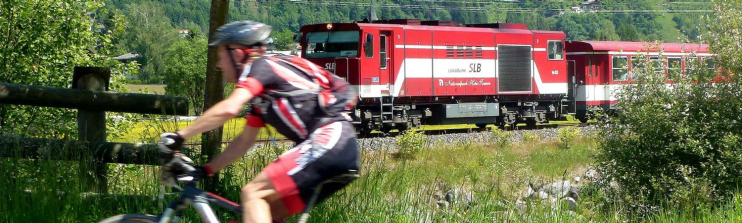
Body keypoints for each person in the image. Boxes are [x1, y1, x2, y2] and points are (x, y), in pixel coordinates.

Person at [157, 21, 360, 223]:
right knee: (266, 213)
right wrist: (206, 170)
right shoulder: (262, 98)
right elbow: (243, 142)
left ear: (236, 54)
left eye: (220, 56)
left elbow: (230, 108)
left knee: (253, 193)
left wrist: (179, 136)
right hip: (341, 150)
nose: (219, 64)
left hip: (329, 141)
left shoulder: (261, 67)